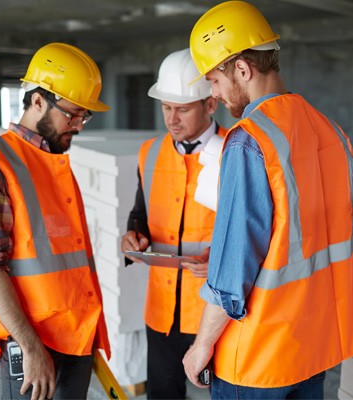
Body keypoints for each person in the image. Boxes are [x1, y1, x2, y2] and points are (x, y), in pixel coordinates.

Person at [182, 1, 353, 399]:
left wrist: (200, 347)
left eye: (214, 80)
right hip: (315, 347)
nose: (214, 94)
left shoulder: (249, 140)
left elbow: (231, 273)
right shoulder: (331, 130)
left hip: (258, 358)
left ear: (242, 69)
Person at [0, 42, 111, 400]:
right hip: (36, 347)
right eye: (73, 114)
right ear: (38, 101)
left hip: (77, 335)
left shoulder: (53, 163)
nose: (78, 126)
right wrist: (30, 348)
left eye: (84, 117)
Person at [121, 48, 226, 399]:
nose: (171, 118)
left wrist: (221, 260)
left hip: (213, 313)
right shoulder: (149, 152)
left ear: (211, 104)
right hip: (161, 312)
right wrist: (132, 237)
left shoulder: (236, 152)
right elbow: (141, 214)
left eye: (182, 108)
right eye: (166, 107)